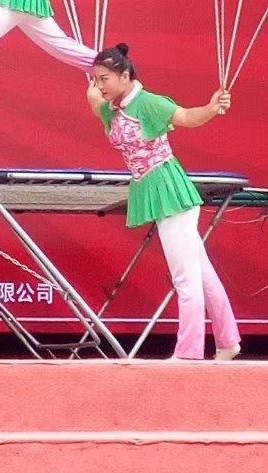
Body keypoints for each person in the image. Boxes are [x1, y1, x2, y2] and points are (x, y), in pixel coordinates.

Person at [86, 43, 241, 362]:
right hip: (154, 191)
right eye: (96, 79)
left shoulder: (149, 103)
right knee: (202, 274)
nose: (100, 86)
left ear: (125, 76)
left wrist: (211, 107)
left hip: (170, 192)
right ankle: (227, 341)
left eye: (104, 79)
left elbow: (186, 117)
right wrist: (94, 85)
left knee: (185, 277)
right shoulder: (109, 108)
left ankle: (189, 353)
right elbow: (93, 101)